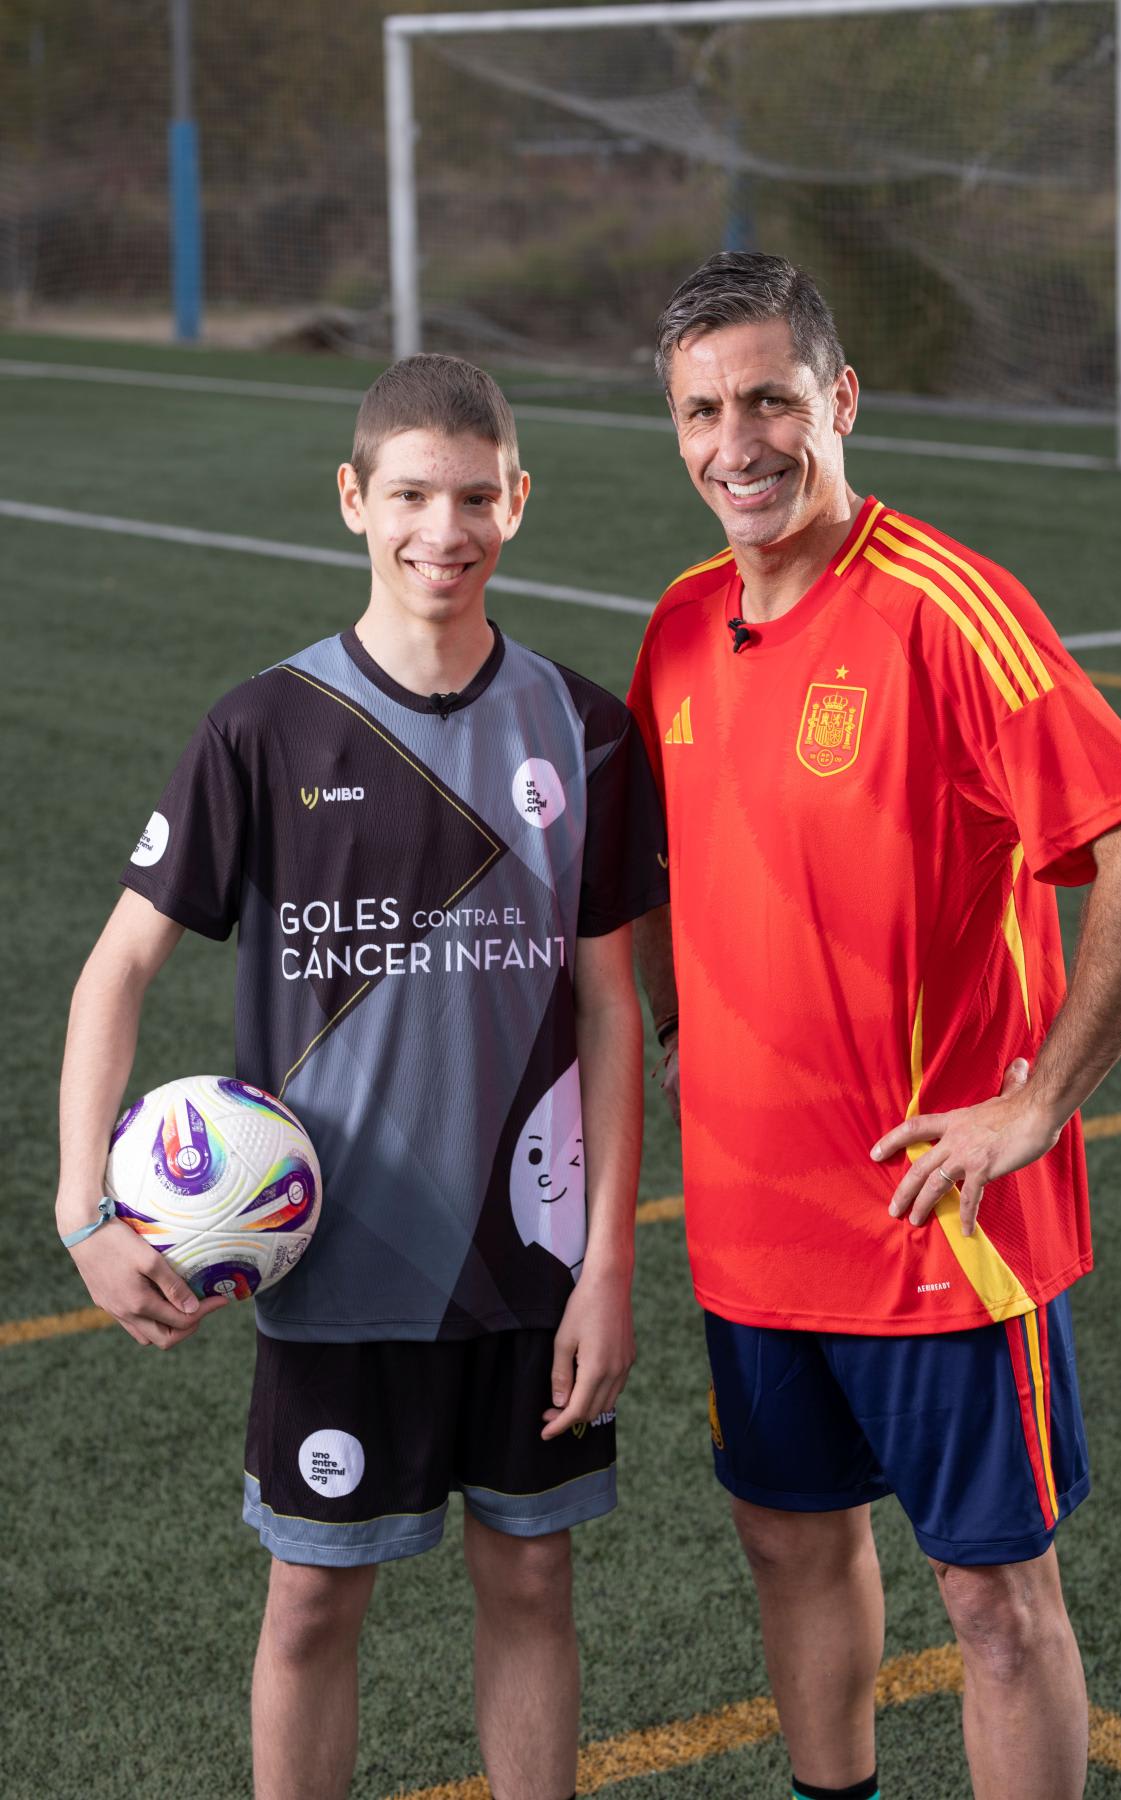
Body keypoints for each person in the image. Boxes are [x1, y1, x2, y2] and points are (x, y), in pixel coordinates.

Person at [627, 251, 1121, 1800]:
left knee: (995, 1605)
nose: (735, 442)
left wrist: (1038, 1108)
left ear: (840, 401)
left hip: (932, 1225)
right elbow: (666, 869)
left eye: (768, 399)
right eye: (700, 410)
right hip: (751, 1224)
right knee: (790, 1546)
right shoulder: (678, 629)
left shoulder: (944, 608)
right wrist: (677, 1022)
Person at [55, 354, 669, 1800]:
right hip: (331, 1270)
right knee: (314, 1601)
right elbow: (114, 972)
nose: (439, 532)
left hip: (526, 1267)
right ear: (352, 500)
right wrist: (86, 1211)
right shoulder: (262, 728)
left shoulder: (584, 732)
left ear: (518, 501)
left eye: (472, 498)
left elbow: (609, 1009)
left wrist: (609, 1268)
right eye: (408, 496)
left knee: (530, 1585)